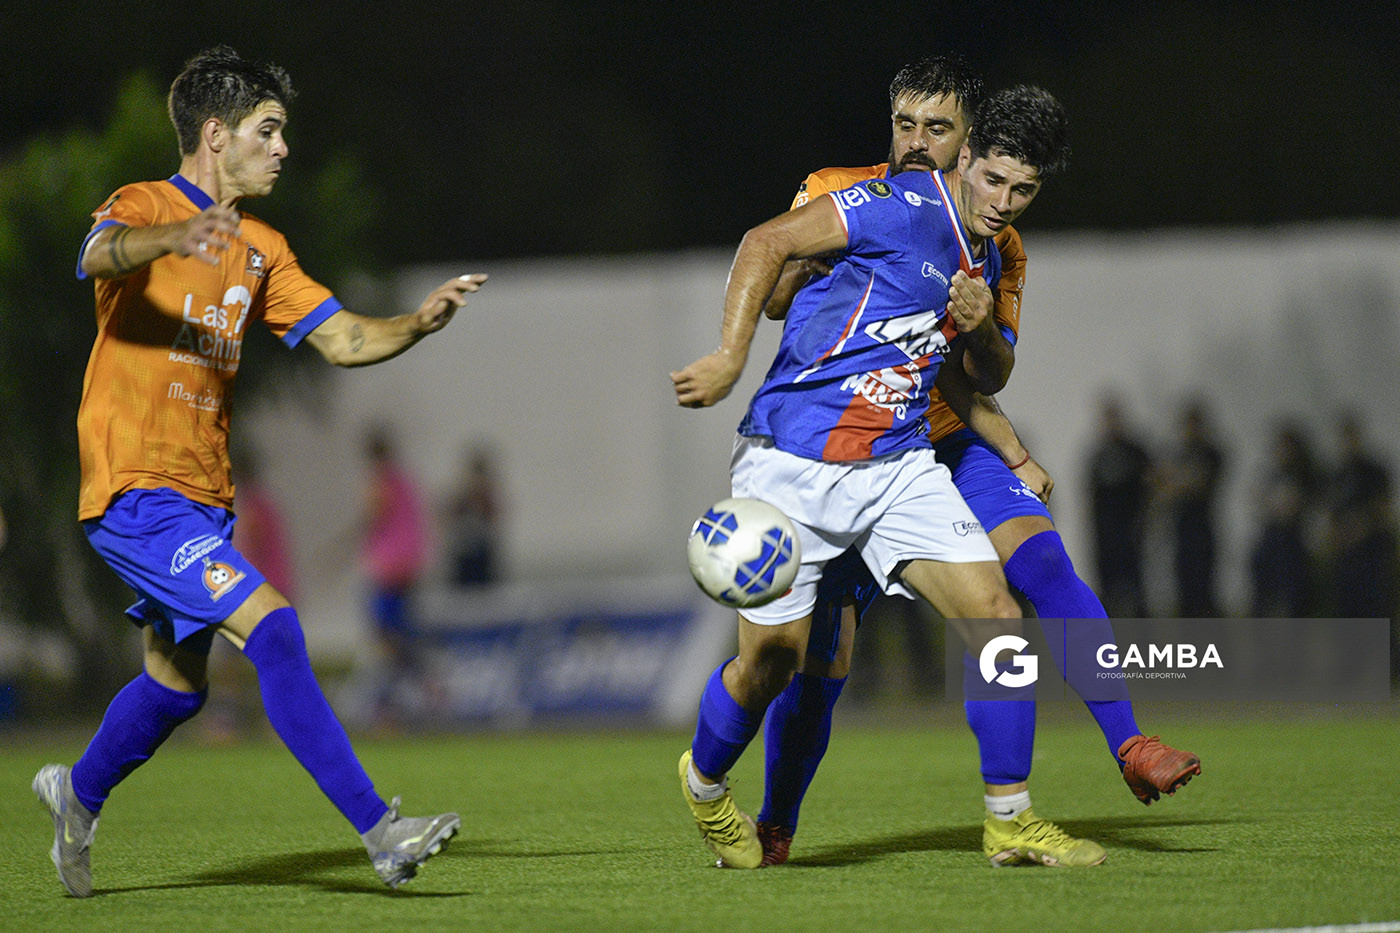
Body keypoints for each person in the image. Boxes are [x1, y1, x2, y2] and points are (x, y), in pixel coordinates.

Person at [32, 46, 485, 897]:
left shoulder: (261, 248)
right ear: (215, 134)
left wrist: (417, 324)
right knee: (273, 628)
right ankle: (381, 832)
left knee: (175, 688)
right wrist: (174, 234)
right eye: (268, 131)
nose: (283, 149)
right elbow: (97, 254)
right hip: (135, 489)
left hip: (204, 500)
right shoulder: (148, 205)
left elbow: (343, 339)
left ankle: (75, 794)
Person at [747, 59, 1199, 869]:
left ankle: (1128, 743)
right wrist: (810, 267)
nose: (918, 142)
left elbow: (978, 371)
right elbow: (776, 291)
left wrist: (1008, 430)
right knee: (823, 666)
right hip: (844, 447)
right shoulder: (836, 189)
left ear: (966, 139)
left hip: (941, 440)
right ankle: (775, 818)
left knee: (1040, 565)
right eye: (906, 124)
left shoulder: (1001, 248)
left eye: (939, 128)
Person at [670, 82, 1108, 869]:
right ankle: (704, 783)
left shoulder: (984, 248)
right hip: (792, 459)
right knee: (773, 662)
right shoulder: (897, 205)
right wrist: (731, 357)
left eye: (1024, 189)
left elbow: (970, 378)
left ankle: (1010, 818)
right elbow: (765, 241)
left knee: (997, 618)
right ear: (964, 158)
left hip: (898, 465)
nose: (1004, 200)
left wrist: (1010, 446)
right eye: (994, 179)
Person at [1086, 395, 1155, 618]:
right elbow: (1090, 495)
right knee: (1107, 590)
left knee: (1136, 589)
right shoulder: (1098, 456)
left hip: (1131, 531)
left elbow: (1153, 486)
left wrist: (1146, 522)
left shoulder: (1136, 452)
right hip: (1105, 534)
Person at [1158, 400, 1226, 616]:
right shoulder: (1178, 453)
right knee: (1184, 586)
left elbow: (1199, 484)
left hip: (1202, 527)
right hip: (1181, 527)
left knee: (1204, 587)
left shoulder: (1211, 453)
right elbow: (1164, 486)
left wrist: (1177, 484)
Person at [1326, 413, 1396, 618]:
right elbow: (1331, 511)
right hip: (1346, 555)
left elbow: (1383, 507)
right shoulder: (1338, 474)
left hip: (1371, 551)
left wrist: (1361, 526)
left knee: (1375, 608)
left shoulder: (1374, 471)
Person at [1249, 422, 1319, 617]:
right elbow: (1258, 501)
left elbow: (1294, 508)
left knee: (1295, 600)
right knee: (1263, 598)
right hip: (1271, 540)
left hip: (1292, 543)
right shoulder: (1270, 475)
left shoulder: (1305, 476)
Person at [445, 442, 503, 587]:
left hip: (481, 549)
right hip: (463, 549)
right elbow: (451, 515)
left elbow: (493, 516)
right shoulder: (462, 493)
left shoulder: (487, 494)